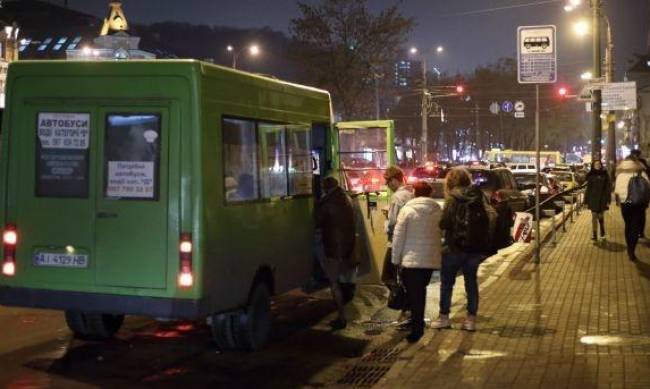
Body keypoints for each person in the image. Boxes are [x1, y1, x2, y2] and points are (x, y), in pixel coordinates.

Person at [432, 167, 495, 332]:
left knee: (447, 284)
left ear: (451, 182)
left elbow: (444, 223)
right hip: (474, 247)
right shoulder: (478, 196)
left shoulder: (452, 199)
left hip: (453, 247)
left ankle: (444, 317)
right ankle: (470, 320)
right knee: (471, 283)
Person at [391, 182, 442, 343]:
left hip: (411, 261)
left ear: (414, 192)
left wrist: (395, 259)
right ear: (430, 193)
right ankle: (417, 326)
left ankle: (417, 330)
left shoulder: (407, 210)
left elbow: (398, 237)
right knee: (420, 292)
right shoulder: (437, 210)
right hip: (429, 261)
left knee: (415, 295)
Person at [315, 176, 357, 329]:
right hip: (348, 246)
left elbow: (316, 222)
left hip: (334, 248)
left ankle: (341, 317)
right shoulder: (347, 199)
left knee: (333, 283)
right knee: (344, 279)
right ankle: (344, 309)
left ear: (325, 188)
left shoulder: (327, 203)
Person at [382, 166, 414, 328]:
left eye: (387, 181)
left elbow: (393, 224)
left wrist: (386, 219)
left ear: (394, 180)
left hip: (395, 243)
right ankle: (407, 310)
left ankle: (405, 307)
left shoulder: (396, 198)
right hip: (408, 242)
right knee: (403, 277)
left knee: (387, 276)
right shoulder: (410, 194)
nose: (386, 185)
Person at [615, 158, 650, 261]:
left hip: (626, 203)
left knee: (628, 225)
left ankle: (629, 245)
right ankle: (631, 250)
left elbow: (617, 191)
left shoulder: (620, 176)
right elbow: (647, 188)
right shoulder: (642, 174)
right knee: (635, 226)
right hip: (638, 203)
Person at [584, 160, 611, 241]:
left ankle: (602, 229)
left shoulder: (604, 174)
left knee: (600, 216)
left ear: (601, 165)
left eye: (599, 164)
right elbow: (588, 189)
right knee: (594, 216)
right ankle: (594, 234)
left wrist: (608, 199)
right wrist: (585, 201)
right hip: (593, 198)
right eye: (596, 164)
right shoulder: (590, 175)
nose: (597, 165)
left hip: (602, 198)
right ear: (593, 165)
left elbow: (608, 188)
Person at [630, 149, 650, 239]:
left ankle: (640, 232)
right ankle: (638, 231)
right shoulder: (629, 164)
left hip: (640, 194)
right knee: (637, 214)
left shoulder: (642, 164)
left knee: (640, 214)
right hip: (635, 194)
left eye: (636, 155)